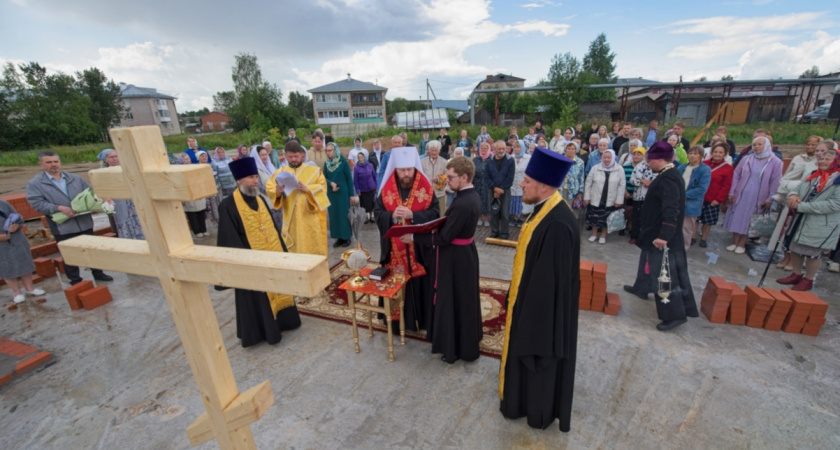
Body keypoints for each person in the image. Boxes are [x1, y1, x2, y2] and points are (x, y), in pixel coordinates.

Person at [499, 146, 579, 432]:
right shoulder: (545, 210)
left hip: (541, 317)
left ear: (544, 186)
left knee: (537, 361)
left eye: (527, 181)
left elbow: (548, 287)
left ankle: (534, 409)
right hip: (529, 302)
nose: (521, 184)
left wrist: (525, 317)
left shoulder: (557, 223)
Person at [404, 156, 482, 363]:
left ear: (464, 177)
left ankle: (454, 347)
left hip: (455, 259)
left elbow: (444, 238)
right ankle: (466, 339)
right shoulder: (470, 196)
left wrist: (413, 236)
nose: (446, 180)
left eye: (450, 177)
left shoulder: (463, 203)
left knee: (453, 300)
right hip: (466, 254)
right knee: (464, 300)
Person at [216, 157, 300, 347]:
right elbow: (229, 239)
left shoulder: (260, 199)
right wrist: (244, 264)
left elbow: (272, 228)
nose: (255, 181)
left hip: (272, 256)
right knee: (258, 297)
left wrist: (283, 254)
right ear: (239, 180)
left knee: (279, 288)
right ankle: (265, 331)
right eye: (250, 178)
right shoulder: (228, 206)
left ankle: (286, 321)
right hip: (251, 263)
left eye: (256, 176)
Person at [624, 141, 699, 331]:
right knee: (647, 261)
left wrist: (664, 235)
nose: (648, 164)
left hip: (663, 237)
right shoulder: (667, 174)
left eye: (650, 160)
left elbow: (671, 210)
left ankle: (675, 315)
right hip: (652, 232)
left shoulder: (669, 179)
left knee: (664, 274)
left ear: (659, 159)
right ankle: (641, 288)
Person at [374, 146, 440, 333]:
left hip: (418, 249)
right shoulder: (387, 189)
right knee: (396, 281)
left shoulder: (425, 188)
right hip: (394, 251)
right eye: (402, 170)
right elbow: (378, 213)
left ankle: (422, 319)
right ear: (395, 169)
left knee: (420, 284)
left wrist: (414, 214)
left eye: (409, 170)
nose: (406, 174)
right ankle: (396, 322)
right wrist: (392, 216)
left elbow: (436, 214)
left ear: (414, 168)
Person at [26, 151, 113, 285]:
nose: (53, 165)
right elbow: (36, 203)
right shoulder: (36, 184)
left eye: (55, 161)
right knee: (69, 253)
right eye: (48, 162)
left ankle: (98, 273)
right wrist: (58, 208)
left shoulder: (74, 178)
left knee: (91, 249)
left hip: (84, 222)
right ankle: (75, 279)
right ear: (41, 164)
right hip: (63, 227)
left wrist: (98, 200)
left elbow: (88, 193)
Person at [777, 146, 840, 291]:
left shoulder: (837, 181)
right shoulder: (814, 175)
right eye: (822, 158)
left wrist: (802, 206)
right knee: (795, 246)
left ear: (836, 162)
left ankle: (808, 279)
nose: (823, 161)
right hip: (800, 219)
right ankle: (796, 274)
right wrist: (793, 195)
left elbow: (834, 205)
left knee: (813, 252)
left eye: (827, 159)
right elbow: (797, 188)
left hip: (820, 223)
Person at [267, 141, 330, 256]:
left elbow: (323, 189)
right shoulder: (280, 173)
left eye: (296, 156)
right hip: (291, 220)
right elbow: (269, 188)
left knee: (312, 248)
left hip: (309, 218)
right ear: (285, 155)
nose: (293, 159)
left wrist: (308, 189)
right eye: (290, 157)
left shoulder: (314, 171)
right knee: (295, 250)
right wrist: (277, 191)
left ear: (302, 155)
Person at [723, 136, 782, 254]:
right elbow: (736, 175)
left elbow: (775, 181)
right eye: (754, 145)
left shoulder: (776, 162)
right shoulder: (746, 159)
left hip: (758, 197)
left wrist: (770, 198)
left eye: (760, 144)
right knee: (737, 216)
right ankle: (734, 242)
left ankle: (742, 243)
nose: (756, 147)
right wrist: (732, 191)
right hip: (741, 194)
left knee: (750, 219)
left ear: (767, 146)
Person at [775, 138, 828, 269]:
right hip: (796, 205)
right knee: (789, 234)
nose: (819, 154)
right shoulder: (811, 167)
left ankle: (797, 267)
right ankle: (787, 258)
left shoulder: (834, 175)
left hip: (812, 212)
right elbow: (796, 182)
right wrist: (793, 193)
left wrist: (803, 205)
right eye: (818, 151)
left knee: (804, 243)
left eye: (823, 151)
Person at [1, 199, 46, 303]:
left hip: (16, 239)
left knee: (24, 263)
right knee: (6, 267)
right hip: (1, 245)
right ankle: (17, 292)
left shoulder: (3, 204)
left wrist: (17, 225)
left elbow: (18, 217)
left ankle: (30, 288)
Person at [97, 149, 145, 240]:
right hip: (118, 203)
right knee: (124, 225)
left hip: (133, 202)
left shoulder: (127, 168)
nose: (115, 159)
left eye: (116, 156)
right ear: (105, 159)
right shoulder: (102, 173)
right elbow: (101, 191)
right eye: (111, 157)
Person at [584, 149, 625, 244]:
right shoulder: (595, 168)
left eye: (608, 157)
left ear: (613, 158)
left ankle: (603, 235)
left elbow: (622, 185)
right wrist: (587, 197)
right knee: (594, 216)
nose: (606, 159)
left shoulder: (619, 169)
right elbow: (588, 183)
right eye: (604, 157)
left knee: (606, 217)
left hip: (610, 198)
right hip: (596, 196)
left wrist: (619, 200)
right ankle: (594, 234)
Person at [697, 143, 734, 248]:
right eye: (715, 152)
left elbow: (726, 186)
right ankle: (693, 237)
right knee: (695, 219)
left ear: (724, 154)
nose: (717, 154)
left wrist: (718, 199)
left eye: (720, 152)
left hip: (713, 198)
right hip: (700, 196)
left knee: (708, 221)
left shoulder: (728, 168)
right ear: (712, 153)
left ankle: (703, 238)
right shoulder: (704, 163)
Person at [323, 142, 356, 248]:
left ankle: (346, 237)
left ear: (335, 150)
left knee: (343, 215)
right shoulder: (326, 164)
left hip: (343, 193)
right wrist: (330, 183)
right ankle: (338, 238)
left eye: (330, 150)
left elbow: (349, 179)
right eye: (326, 151)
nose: (328, 153)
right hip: (332, 194)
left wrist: (351, 194)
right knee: (334, 215)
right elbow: (323, 178)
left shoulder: (343, 162)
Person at [679, 146, 711, 251]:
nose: (692, 156)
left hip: (691, 203)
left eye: (695, 154)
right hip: (677, 201)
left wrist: (683, 195)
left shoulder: (705, 170)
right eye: (690, 153)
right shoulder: (682, 167)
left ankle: (683, 250)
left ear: (701, 156)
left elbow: (702, 188)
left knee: (686, 229)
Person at [487, 141, 515, 239]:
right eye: (499, 149)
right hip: (492, 190)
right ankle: (494, 231)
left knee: (505, 213)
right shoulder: (489, 160)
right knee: (493, 212)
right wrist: (494, 189)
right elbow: (487, 177)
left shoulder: (510, 160)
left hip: (505, 190)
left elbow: (510, 178)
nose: (501, 151)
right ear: (494, 149)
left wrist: (500, 190)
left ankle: (504, 232)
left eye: (503, 148)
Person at [629, 148, 656, 245]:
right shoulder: (639, 166)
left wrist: (651, 183)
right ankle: (634, 236)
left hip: (651, 197)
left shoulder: (657, 167)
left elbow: (661, 181)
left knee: (649, 219)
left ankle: (646, 238)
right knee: (637, 218)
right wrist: (641, 181)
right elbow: (632, 180)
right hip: (638, 196)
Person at [180, 154, 209, 238]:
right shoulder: (180, 171)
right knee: (192, 214)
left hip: (198, 193)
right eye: (185, 159)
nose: (187, 160)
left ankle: (203, 229)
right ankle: (196, 231)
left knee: (201, 212)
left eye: (188, 158)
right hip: (188, 195)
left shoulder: (194, 167)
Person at [621, 146, 646, 237]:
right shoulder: (626, 166)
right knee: (625, 211)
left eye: (639, 154)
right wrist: (626, 192)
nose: (636, 156)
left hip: (639, 194)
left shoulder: (646, 168)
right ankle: (623, 227)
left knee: (635, 213)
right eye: (634, 154)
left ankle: (632, 229)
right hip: (626, 192)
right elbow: (622, 180)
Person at [421, 140, 449, 217]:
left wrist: (439, 180)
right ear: (429, 150)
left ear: (439, 151)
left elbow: (448, 177)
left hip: (440, 194)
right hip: (426, 194)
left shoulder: (444, 162)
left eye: (436, 150)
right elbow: (419, 177)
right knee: (427, 215)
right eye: (432, 150)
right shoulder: (422, 162)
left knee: (441, 214)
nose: (434, 152)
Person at [561, 141, 586, 221]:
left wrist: (580, 192)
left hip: (573, 191)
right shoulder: (560, 160)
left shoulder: (580, 162)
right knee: (561, 212)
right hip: (561, 190)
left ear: (576, 150)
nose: (570, 150)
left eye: (573, 149)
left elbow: (581, 178)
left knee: (572, 214)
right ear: (565, 149)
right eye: (568, 148)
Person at [510, 140, 530, 227]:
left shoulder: (528, 157)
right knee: (513, 200)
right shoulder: (510, 157)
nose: (516, 149)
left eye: (518, 147)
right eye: (515, 147)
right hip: (513, 183)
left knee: (522, 201)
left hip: (523, 183)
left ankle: (521, 218)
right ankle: (514, 217)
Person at [353, 152, 377, 224]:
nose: (361, 159)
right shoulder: (356, 168)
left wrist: (375, 186)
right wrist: (357, 190)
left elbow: (374, 176)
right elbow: (355, 180)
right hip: (363, 189)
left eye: (362, 157)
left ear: (364, 157)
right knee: (364, 204)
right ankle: (366, 217)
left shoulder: (370, 165)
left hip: (371, 188)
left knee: (372, 203)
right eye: (359, 157)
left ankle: (371, 216)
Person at [473, 142, 493, 227]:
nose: (483, 150)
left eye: (485, 148)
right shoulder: (476, 159)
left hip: (488, 184)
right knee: (478, 200)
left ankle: (487, 217)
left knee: (487, 200)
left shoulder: (492, 159)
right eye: (482, 148)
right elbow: (472, 171)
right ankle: (480, 217)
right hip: (477, 183)